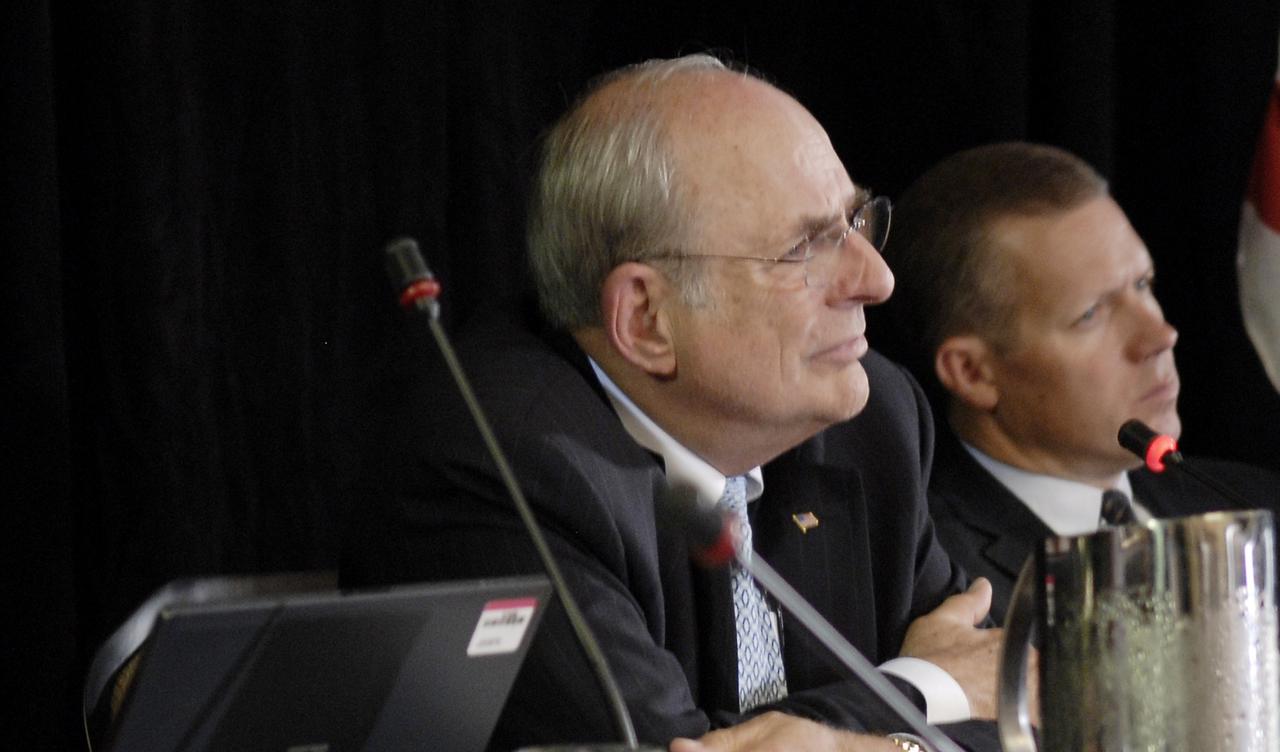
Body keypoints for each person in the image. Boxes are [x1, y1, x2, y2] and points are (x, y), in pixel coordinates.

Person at [344, 55, 1004, 751]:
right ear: (646, 319)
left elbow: (1011, 697)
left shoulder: (871, 423)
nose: (877, 279)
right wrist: (920, 694)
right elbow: (650, 747)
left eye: (856, 221)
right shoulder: (501, 467)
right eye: (807, 247)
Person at [880, 141, 1280, 621]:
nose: (1160, 336)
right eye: (1091, 314)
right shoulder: (932, 586)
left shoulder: (1254, 506)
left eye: (1142, 285)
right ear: (973, 373)